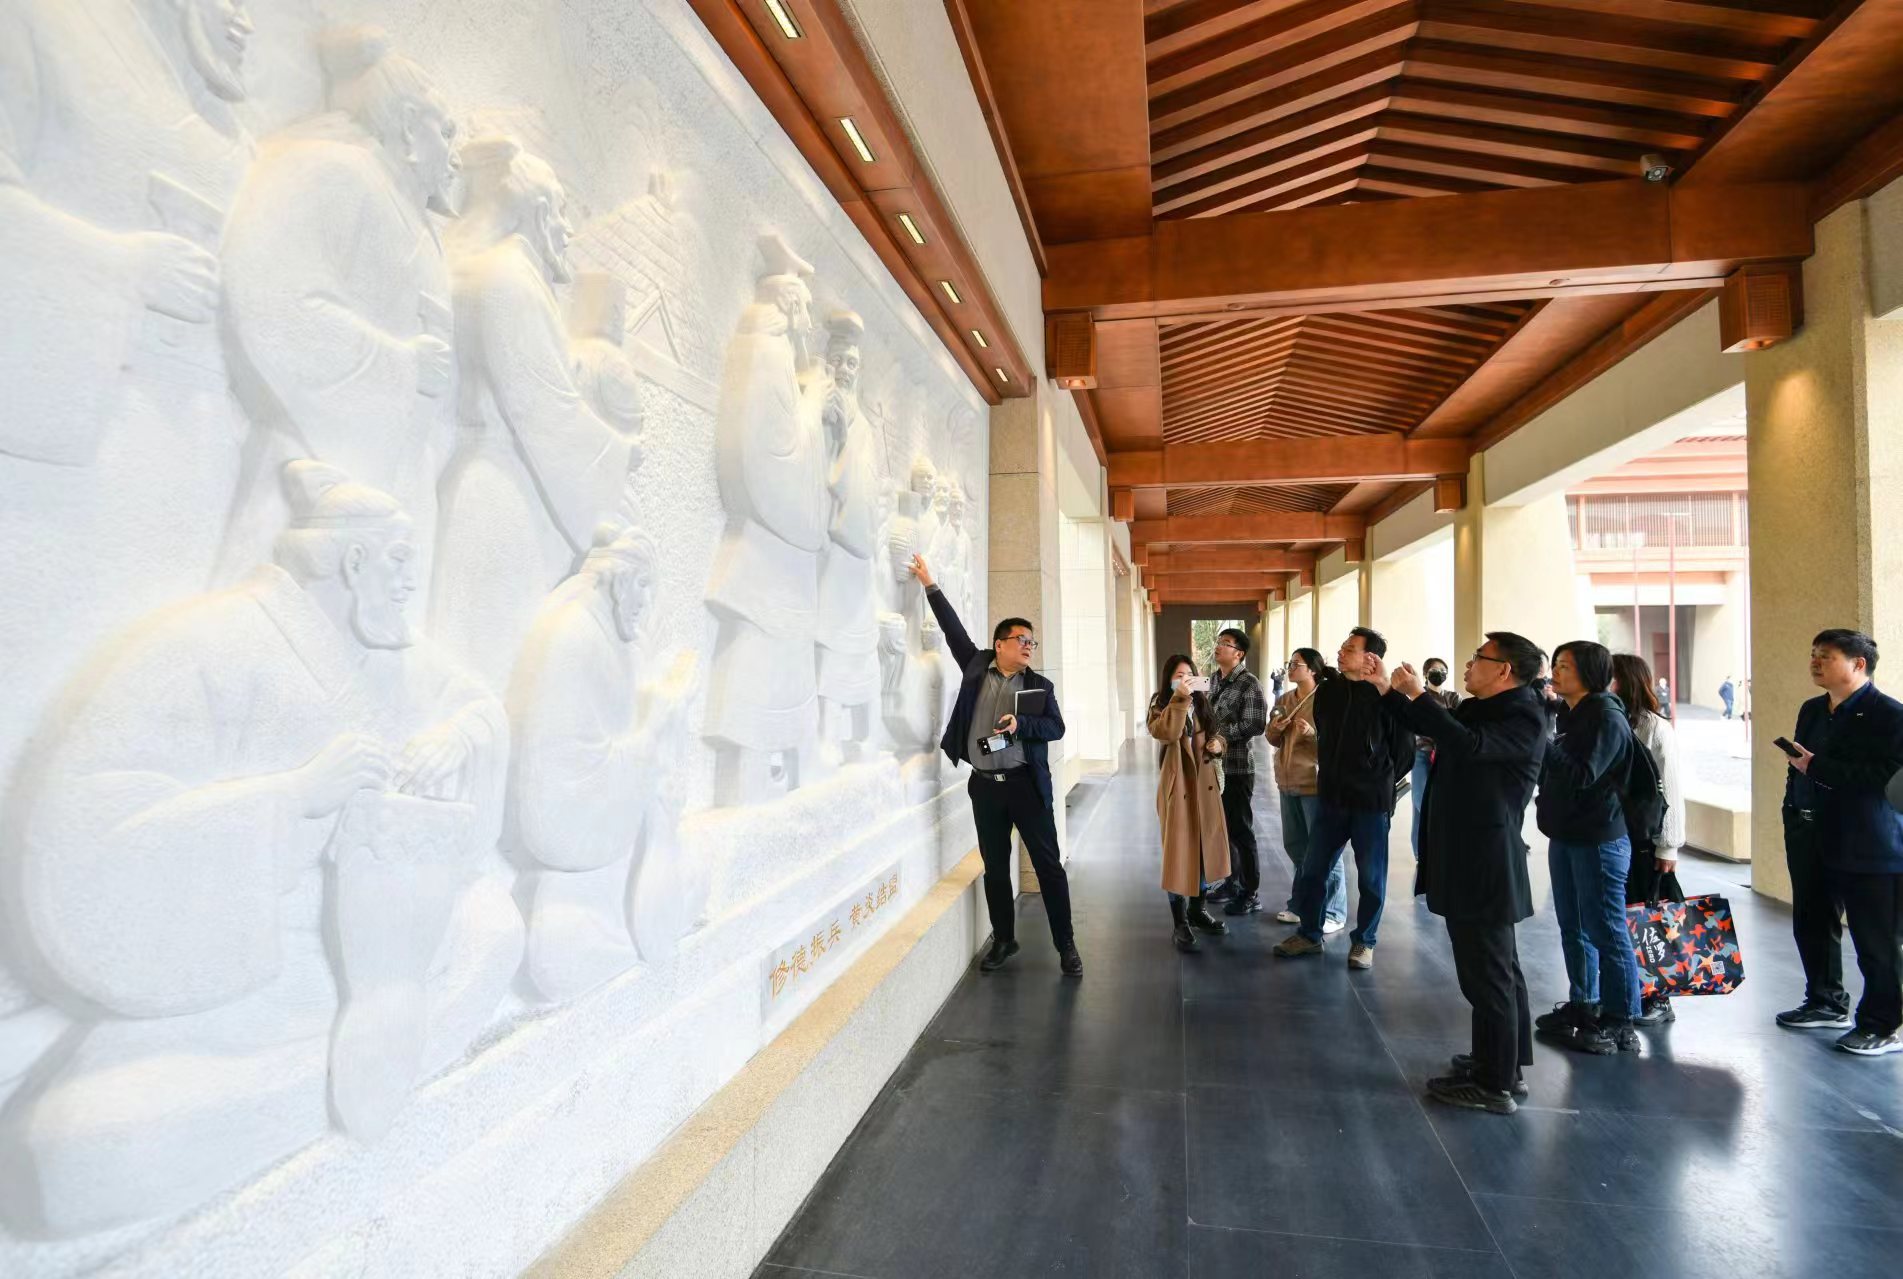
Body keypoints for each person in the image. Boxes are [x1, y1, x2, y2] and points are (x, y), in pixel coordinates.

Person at [1369, 633, 1547, 1115]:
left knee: (1488, 975)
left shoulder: (1524, 715)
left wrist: (1417, 694)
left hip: (1484, 858)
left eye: (1478, 658)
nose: (1468, 665)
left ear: (1504, 670)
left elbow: (1465, 744)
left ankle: (1494, 1085)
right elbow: (1437, 728)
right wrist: (1389, 690)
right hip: (1470, 854)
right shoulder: (1484, 707)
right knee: (1496, 970)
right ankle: (1503, 1065)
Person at [910, 555, 1080, 977]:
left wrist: (1022, 725)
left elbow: (1056, 728)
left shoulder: (1039, 686)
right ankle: (1004, 939)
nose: (1028, 646)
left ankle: (1066, 945)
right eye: (1021, 639)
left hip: (1026, 786)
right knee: (995, 867)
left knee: (1048, 867)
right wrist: (930, 584)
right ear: (999, 644)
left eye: (1032, 642)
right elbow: (952, 630)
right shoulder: (975, 666)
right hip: (985, 786)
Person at [1777, 629, 1903, 1056]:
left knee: (1875, 939)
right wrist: (1793, 806)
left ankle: (1882, 1025)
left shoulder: (1890, 715)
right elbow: (1799, 766)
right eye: (1813, 654)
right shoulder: (1813, 709)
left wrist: (1818, 768)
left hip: (1868, 842)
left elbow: (1888, 779)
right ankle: (1826, 1002)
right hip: (1810, 831)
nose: (1815, 662)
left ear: (1858, 664)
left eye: (1826, 656)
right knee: (1812, 921)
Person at [1274, 628, 1414, 969]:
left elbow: (1404, 752)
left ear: (1370, 658)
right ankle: (1310, 934)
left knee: (1371, 878)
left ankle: (1364, 941)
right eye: (1342, 647)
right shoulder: (1329, 691)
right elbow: (1325, 736)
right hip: (1332, 798)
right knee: (1312, 870)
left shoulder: (1387, 695)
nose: (1340, 652)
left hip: (1370, 803)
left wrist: (1376, 777)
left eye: (1349, 649)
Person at [1534, 641, 1642, 1055]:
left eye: (1564, 666)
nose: (1555, 672)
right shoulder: (1572, 713)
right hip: (1567, 832)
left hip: (1598, 838)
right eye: (1555, 664)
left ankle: (1621, 1020)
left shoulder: (1607, 717)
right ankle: (1584, 1003)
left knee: (1607, 930)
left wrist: (1543, 743)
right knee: (1573, 927)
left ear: (1589, 674)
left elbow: (1583, 774)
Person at [1609, 654, 1686, 1025]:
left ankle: (1659, 997)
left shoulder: (1654, 727)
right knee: (1622, 918)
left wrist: (1668, 844)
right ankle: (1625, 992)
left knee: (1650, 920)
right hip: (1614, 835)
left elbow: (1670, 787)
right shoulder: (1609, 719)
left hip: (1643, 841)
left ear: (1625, 681)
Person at [1148, 656, 1231, 953]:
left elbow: (1217, 733)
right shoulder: (1160, 704)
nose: (1185, 679)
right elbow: (1166, 733)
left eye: (1189, 675)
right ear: (1169, 679)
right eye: (1178, 675)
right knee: (1178, 853)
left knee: (1203, 850)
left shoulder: (1203, 702)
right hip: (1178, 788)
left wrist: (1219, 744)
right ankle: (1180, 921)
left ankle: (1198, 909)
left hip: (1205, 787)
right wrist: (1180, 699)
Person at [1267, 649, 1346, 933]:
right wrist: (1276, 729)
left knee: (1324, 849)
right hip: (1287, 780)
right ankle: (1301, 904)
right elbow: (1271, 738)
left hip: (1314, 783)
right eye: (1289, 663)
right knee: (1296, 847)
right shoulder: (1285, 699)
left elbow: (1337, 742)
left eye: (1296, 664)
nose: (1290, 668)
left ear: (1313, 669)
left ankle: (1334, 911)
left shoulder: (1326, 700)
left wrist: (1313, 735)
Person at [1205, 627, 1269, 916]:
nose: (1219, 646)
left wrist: (1221, 736)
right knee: (1224, 828)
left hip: (1237, 768)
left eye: (1226, 643)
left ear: (1239, 653)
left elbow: (1255, 724)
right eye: (1219, 642)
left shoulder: (1249, 683)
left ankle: (1250, 891)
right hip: (1212, 767)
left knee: (1241, 829)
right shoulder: (1213, 680)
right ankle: (1231, 882)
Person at [1409, 658, 1461, 859]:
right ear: (1425, 674)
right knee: (1421, 802)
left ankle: (1433, 849)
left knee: (1440, 800)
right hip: (1421, 753)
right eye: (1434, 670)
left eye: (1442, 670)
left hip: (1445, 754)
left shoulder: (1453, 697)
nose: (1438, 673)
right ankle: (1421, 852)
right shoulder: (1419, 696)